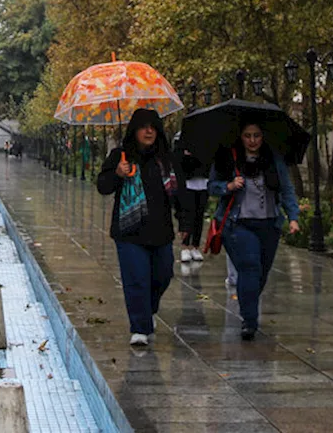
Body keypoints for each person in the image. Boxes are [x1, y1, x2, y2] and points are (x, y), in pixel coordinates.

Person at [96, 107, 192, 347]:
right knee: (136, 279)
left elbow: (180, 192)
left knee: (163, 274)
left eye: (153, 127)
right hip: (129, 232)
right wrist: (117, 173)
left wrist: (185, 220)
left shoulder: (166, 160)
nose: (149, 131)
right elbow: (103, 186)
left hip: (161, 231)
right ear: (135, 130)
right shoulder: (121, 157)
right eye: (143, 126)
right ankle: (140, 327)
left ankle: (147, 310)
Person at [208, 119, 300, 341]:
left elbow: (286, 189)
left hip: (269, 224)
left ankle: (247, 302)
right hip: (237, 224)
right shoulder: (228, 158)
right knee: (249, 267)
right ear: (240, 137)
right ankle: (249, 321)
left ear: (263, 137)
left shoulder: (274, 159)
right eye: (248, 135)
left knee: (261, 273)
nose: (252, 140)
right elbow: (211, 186)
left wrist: (293, 217)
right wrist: (228, 186)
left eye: (256, 135)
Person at [174, 136, 208, 263]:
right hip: (187, 184)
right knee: (187, 214)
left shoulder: (206, 140)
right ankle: (185, 246)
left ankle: (195, 246)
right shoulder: (181, 138)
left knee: (199, 215)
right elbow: (178, 161)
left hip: (203, 183)